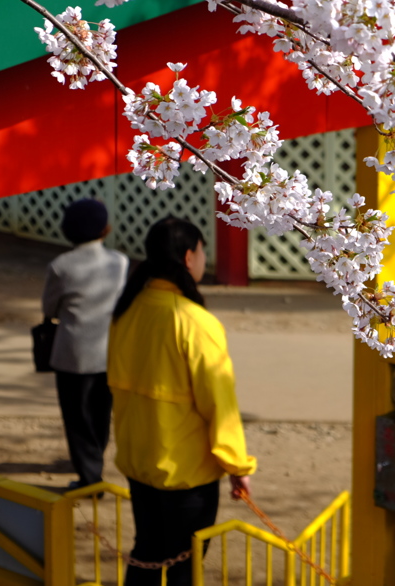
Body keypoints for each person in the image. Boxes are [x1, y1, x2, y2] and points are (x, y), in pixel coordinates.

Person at [108, 217, 256, 586]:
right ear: (190, 257)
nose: (204, 259)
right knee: (182, 565)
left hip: (139, 461)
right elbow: (219, 403)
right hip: (185, 472)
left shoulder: (129, 308)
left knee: (147, 552)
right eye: (203, 251)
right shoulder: (195, 322)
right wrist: (237, 465)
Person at [42, 198, 128, 491]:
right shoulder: (120, 262)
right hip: (108, 351)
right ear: (106, 229)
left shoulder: (60, 265)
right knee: (101, 411)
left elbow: (50, 309)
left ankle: (89, 475)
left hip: (72, 353)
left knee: (76, 415)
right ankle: (94, 457)